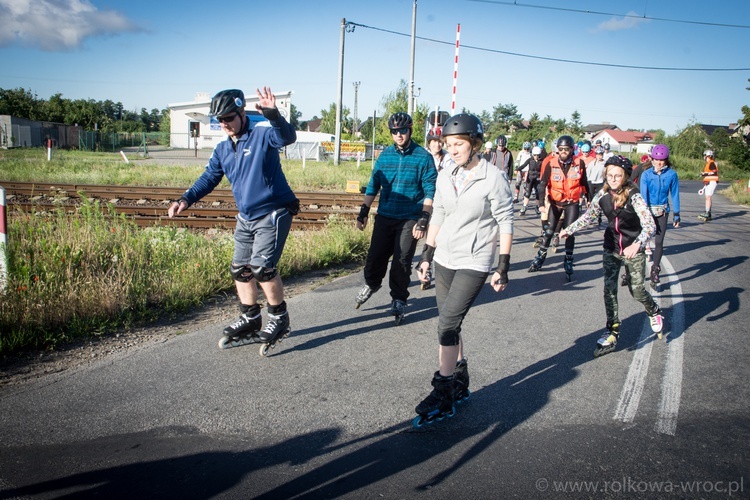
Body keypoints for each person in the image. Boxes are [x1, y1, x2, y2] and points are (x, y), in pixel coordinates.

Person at [168, 88, 298, 348]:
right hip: (247, 217)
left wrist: (274, 115)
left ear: (241, 112)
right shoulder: (223, 149)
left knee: (262, 268)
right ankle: (251, 317)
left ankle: (279, 317)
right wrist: (185, 199)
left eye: (228, 117)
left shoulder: (262, 135)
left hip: (273, 211)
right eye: (219, 120)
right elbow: (208, 179)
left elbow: (286, 136)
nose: (224, 124)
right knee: (241, 269)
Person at [413, 113, 513, 426]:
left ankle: (443, 391)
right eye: (448, 144)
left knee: (446, 324)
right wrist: (427, 255)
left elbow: (505, 221)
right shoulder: (445, 172)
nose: (453, 149)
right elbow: (438, 214)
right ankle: (460, 377)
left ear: (474, 143)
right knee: (449, 325)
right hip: (445, 257)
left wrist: (503, 266)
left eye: (459, 143)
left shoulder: (493, 177)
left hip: (475, 259)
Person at [560, 156, 663, 357]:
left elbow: (650, 225)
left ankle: (654, 310)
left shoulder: (634, 196)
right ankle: (612, 330)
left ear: (625, 176)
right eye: (610, 175)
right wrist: (570, 229)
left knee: (637, 291)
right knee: (609, 289)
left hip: (633, 247)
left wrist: (638, 243)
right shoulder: (602, 195)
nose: (613, 179)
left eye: (617, 175)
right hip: (611, 246)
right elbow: (589, 216)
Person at [354, 112, 437, 324]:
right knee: (375, 257)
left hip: (410, 217)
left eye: (402, 131)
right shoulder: (385, 156)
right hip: (385, 215)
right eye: (394, 132)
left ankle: (399, 299)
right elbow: (374, 185)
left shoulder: (423, 157)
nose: (398, 135)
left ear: (410, 131)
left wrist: (424, 219)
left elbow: (430, 190)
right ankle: (372, 283)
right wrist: (363, 212)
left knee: (402, 260)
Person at [528, 135, 590, 280]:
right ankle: (540, 257)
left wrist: (589, 199)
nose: (563, 152)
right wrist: (542, 204)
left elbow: (584, 183)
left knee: (569, 232)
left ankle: (568, 260)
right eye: (561, 149)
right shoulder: (551, 163)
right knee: (549, 231)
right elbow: (542, 184)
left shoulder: (579, 163)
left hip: (572, 203)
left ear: (571, 150)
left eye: (566, 149)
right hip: (555, 202)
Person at [639, 144, 681, 288]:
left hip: (662, 211)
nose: (659, 163)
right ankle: (631, 270)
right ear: (652, 159)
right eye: (656, 159)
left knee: (659, 242)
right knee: (641, 241)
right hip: (647, 211)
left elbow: (674, 194)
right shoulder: (646, 174)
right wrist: (642, 213)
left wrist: (677, 213)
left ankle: (655, 270)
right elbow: (643, 195)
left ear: (666, 160)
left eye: (662, 160)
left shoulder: (671, 174)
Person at [519, 146, 543, 216]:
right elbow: (523, 165)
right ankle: (524, 206)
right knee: (527, 193)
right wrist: (518, 169)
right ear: (532, 154)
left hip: (538, 179)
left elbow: (545, 169)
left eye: (537, 155)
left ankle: (537, 206)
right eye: (534, 155)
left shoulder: (542, 161)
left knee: (538, 193)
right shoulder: (530, 160)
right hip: (530, 178)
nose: (536, 156)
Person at [586, 146, 607, 226]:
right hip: (592, 182)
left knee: (599, 199)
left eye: (600, 155)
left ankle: (599, 215)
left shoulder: (605, 164)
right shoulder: (592, 163)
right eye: (598, 155)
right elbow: (588, 173)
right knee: (590, 200)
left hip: (600, 182)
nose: (599, 156)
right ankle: (590, 215)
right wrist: (587, 181)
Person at [698, 149, 719, 221]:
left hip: (712, 181)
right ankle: (708, 212)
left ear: (707, 156)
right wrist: (704, 174)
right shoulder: (709, 163)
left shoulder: (711, 163)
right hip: (709, 181)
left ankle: (707, 213)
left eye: (705, 156)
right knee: (707, 197)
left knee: (708, 197)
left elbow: (714, 172)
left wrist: (705, 174)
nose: (704, 157)